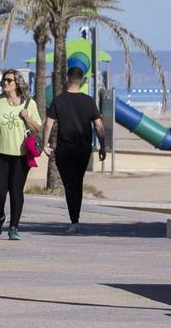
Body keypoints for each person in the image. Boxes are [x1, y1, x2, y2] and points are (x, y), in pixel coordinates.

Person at [42, 66, 106, 234]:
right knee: (77, 182)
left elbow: (48, 123)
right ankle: (75, 219)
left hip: (64, 150)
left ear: (67, 78)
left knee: (70, 184)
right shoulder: (89, 101)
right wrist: (103, 146)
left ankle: (74, 220)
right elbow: (99, 125)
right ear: (82, 80)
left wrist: (45, 145)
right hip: (83, 150)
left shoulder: (59, 100)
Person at [0, 69, 42, 240]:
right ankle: (0, 216)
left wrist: (27, 118)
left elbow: (38, 127)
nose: (4, 83)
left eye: (8, 80)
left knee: (16, 191)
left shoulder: (29, 104)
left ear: (17, 83)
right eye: (3, 80)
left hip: (21, 155)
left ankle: (14, 227)